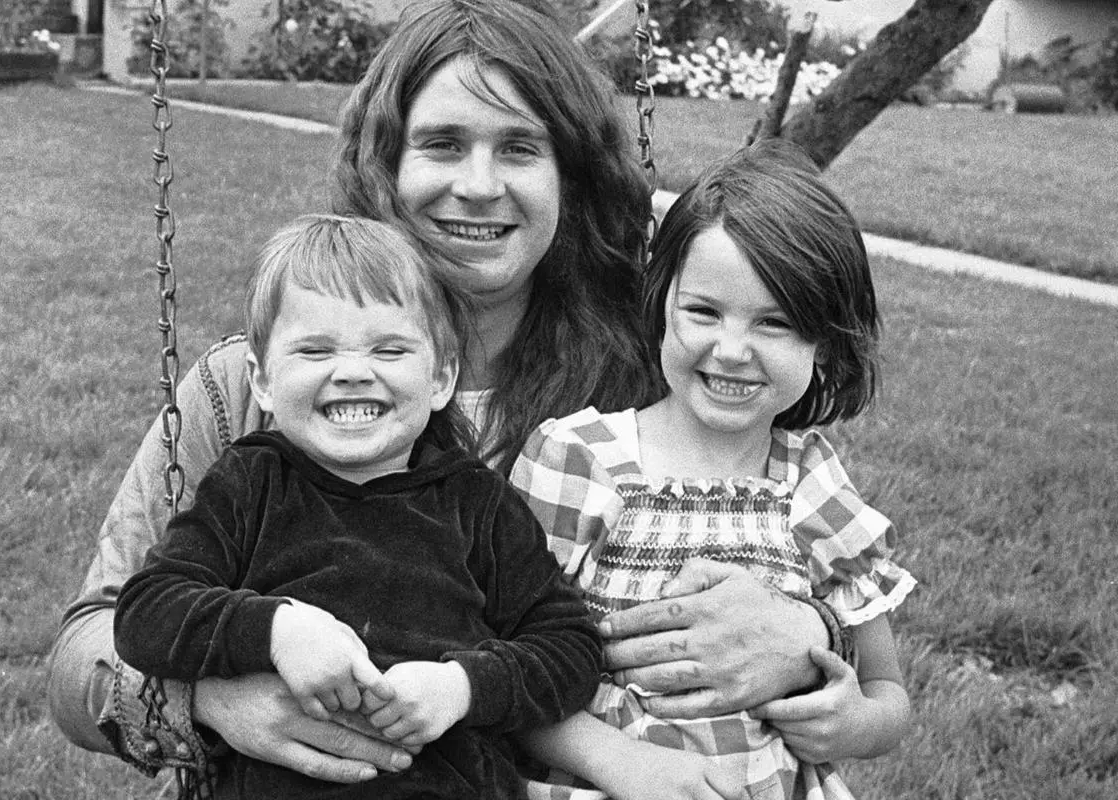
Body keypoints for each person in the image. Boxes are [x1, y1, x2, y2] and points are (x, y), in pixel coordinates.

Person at [48, 0, 843, 789]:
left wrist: (809, 634)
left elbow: (803, 560)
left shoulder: (646, 387)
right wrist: (211, 702)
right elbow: (86, 648)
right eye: (443, 144)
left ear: (571, 175)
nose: (479, 185)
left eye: (520, 148)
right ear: (386, 163)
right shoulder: (248, 390)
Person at [113, 214, 602, 799]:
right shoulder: (249, 486)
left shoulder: (475, 504)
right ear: (262, 381)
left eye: (389, 349)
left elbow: (570, 648)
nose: (351, 372)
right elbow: (146, 611)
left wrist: (463, 687)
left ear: (441, 378)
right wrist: (276, 629)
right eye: (315, 350)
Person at [510, 140, 916, 800]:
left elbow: (886, 695)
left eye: (774, 323)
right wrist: (623, 763)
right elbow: (508, 670)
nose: (731, 350)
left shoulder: (810, 483)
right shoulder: (581, 461)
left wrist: (848, 723)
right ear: (660, 304)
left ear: (825, 342)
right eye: (703, 311)